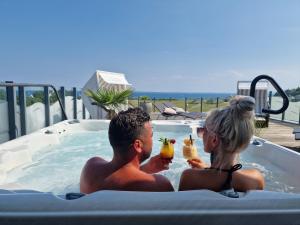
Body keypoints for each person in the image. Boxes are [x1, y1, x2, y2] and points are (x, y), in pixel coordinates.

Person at [179, 96, 265, 193]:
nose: (201, 134)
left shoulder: (190, 178)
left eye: (203, 130)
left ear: (214, 140)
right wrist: (206, 168)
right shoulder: (255, 179)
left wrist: (207, 170)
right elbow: (226, 176)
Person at [80, 107, 174, 194]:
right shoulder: (159, 185)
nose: (152, 140)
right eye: (151, 135)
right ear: (138, 145)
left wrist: (145, 168)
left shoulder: (90, 168)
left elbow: (118, 176)